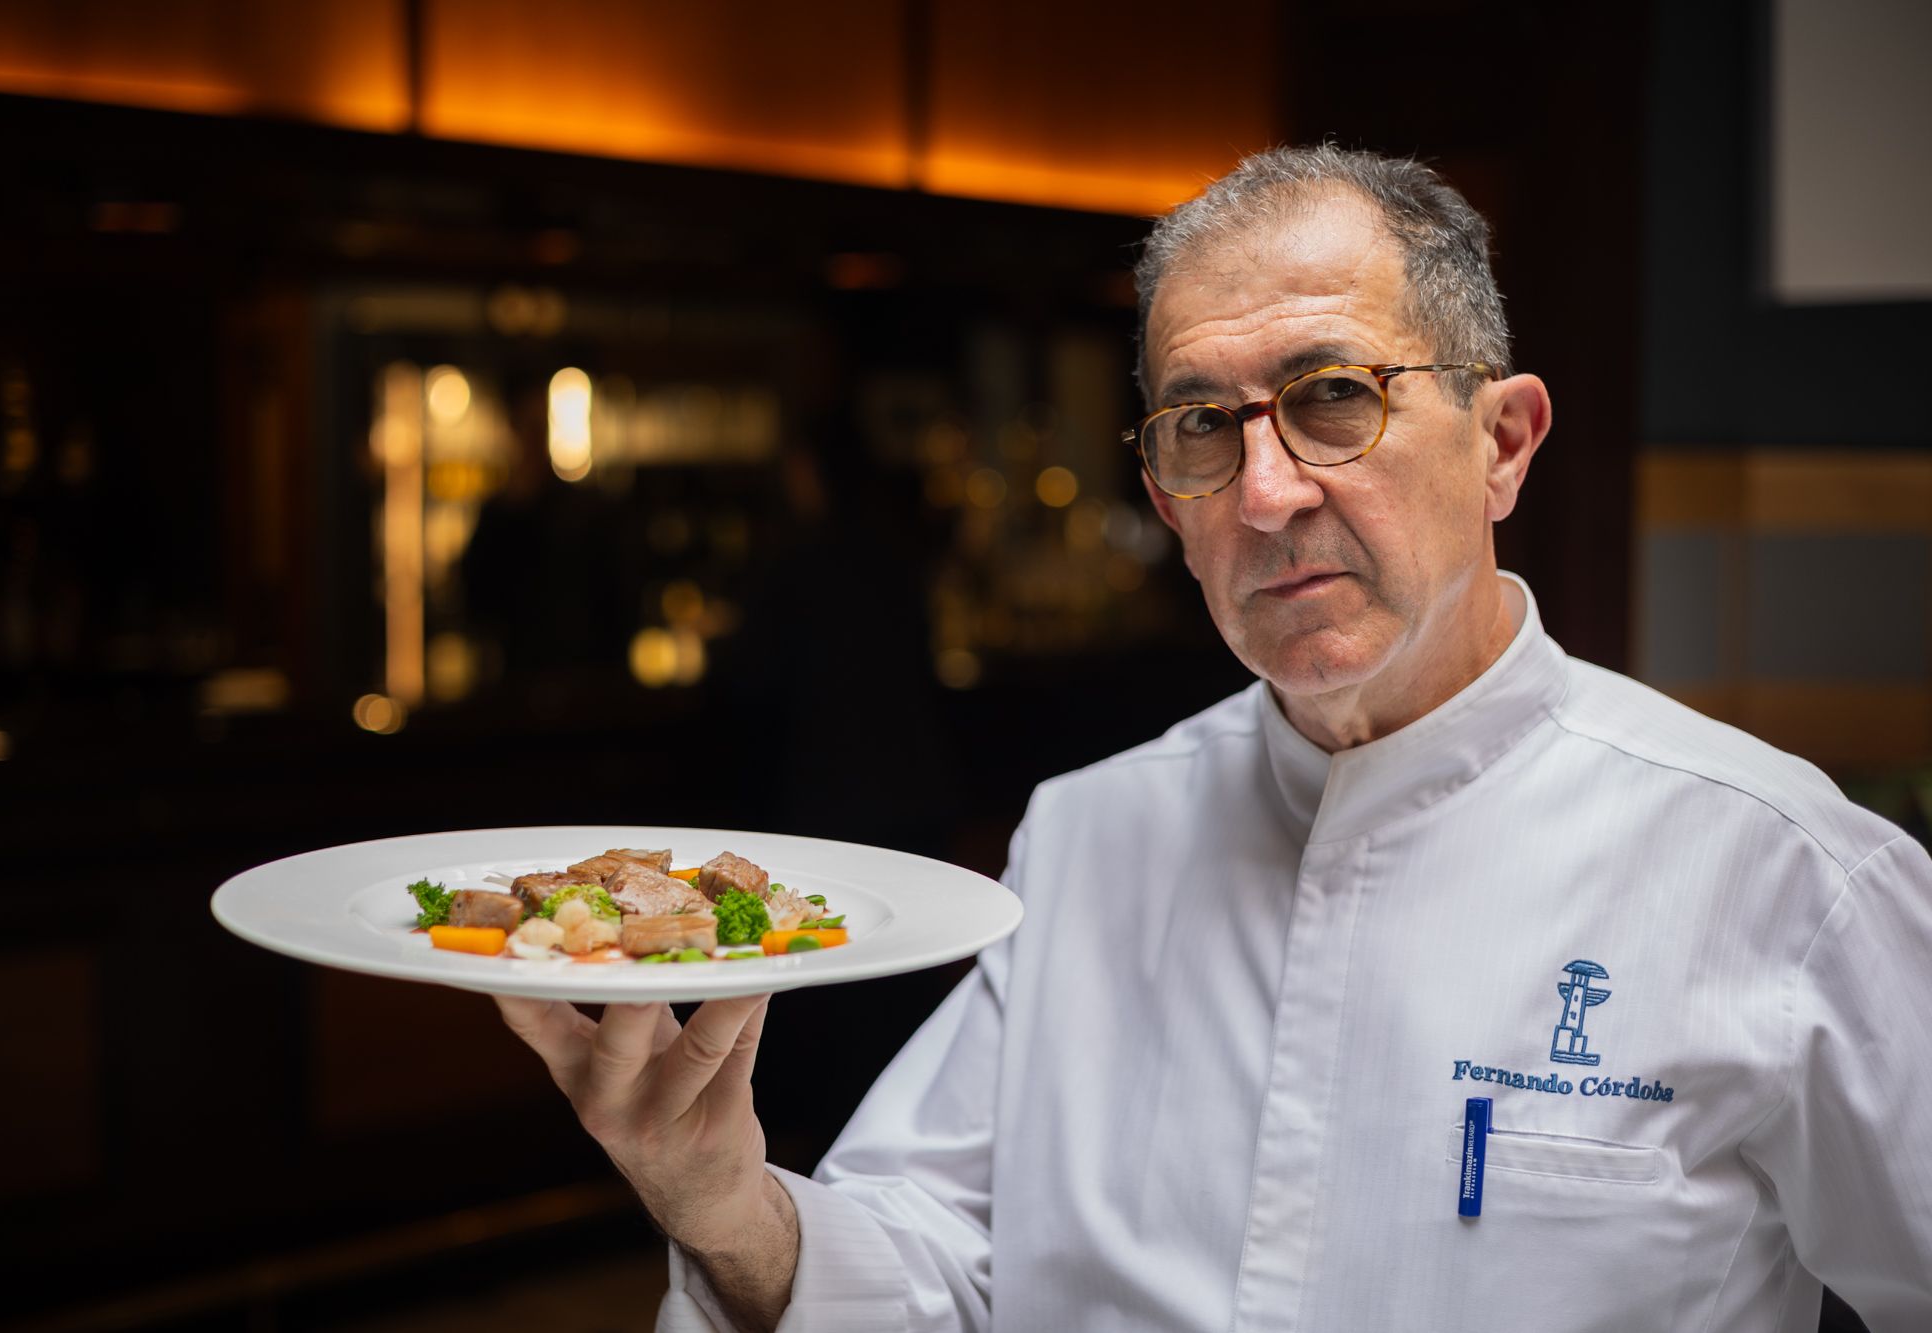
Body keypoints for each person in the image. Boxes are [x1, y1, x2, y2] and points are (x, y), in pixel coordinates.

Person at [494, 145, 1932, 1331]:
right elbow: (934, 1263)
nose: (1263, 493)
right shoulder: (1086, 835)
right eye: (1200, 424)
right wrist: (725, 1205)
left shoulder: (1785, 873)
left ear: (1503, 442)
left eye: (1331, 399)